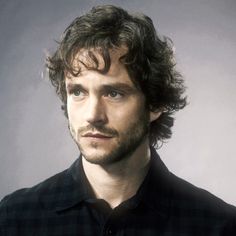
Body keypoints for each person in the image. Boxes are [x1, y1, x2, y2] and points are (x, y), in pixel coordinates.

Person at [0, 4, 235, 236]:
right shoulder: (14, 219)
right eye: (78, 92)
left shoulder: (218, 226)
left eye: (114, 93)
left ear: (155, 104)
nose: (93, 115)